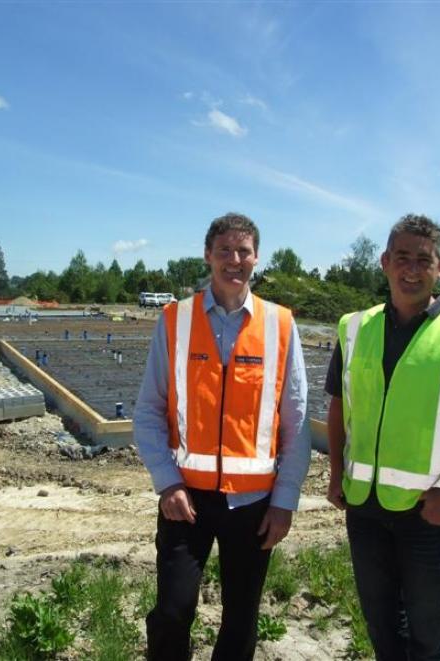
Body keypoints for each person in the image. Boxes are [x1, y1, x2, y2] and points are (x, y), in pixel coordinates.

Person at [134, 212, 310, 661]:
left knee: (241, 620)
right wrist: (167, 482)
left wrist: (285, 500)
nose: (235, 260)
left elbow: (296, 422)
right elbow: (149, 412)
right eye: (225, 250)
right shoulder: (175, 320)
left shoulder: (281, 325)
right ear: (208, 255)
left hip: (253, 506)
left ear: (256, 258)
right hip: (185, 501)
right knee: (172, 611)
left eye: (244, 251)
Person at [326, 213, 440, 660]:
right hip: (365, 511)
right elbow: (339, 406)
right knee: (383, 630)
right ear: (385, 261)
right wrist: (336, 473)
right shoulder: (354, 327)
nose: (412, 269)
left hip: (429, 515)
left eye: (423, 260)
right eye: (403, 258)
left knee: (430, 639)